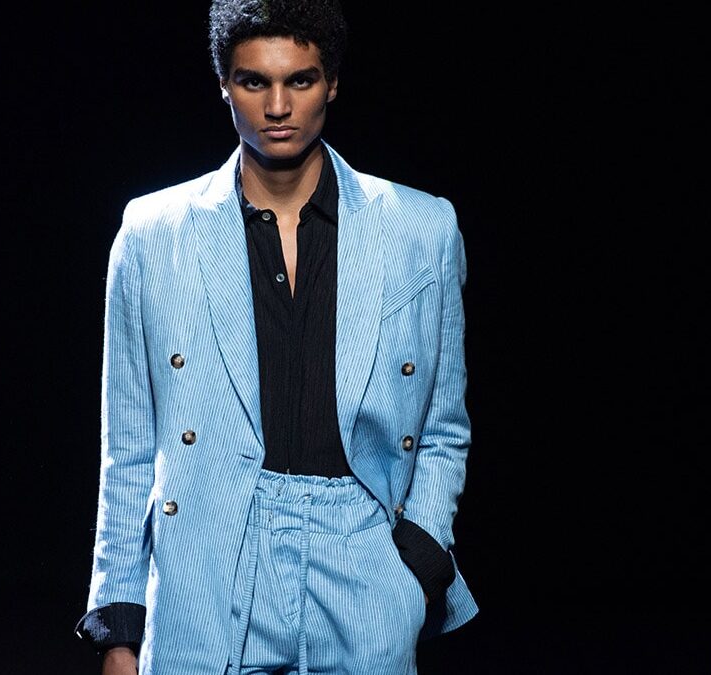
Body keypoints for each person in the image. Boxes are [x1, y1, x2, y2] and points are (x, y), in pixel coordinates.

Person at [75, 1, 478, 672]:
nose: (279, 106)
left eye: (301, 80)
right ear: (224, 85)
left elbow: (443, 423)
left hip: (363, 557)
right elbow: (130, 447)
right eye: (254, 81)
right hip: (207, 557)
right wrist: (119, 626)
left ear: (332, 83)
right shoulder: (152, 235)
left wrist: (419, 559)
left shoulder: (420, 229)